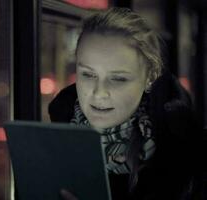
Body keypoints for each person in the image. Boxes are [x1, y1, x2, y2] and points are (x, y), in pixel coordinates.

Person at [49, 7, 204, 200]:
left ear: (150, 77)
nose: (99, 93)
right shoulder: (53, 143)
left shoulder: (187, 158)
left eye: (118, 79)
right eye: (88, 74)